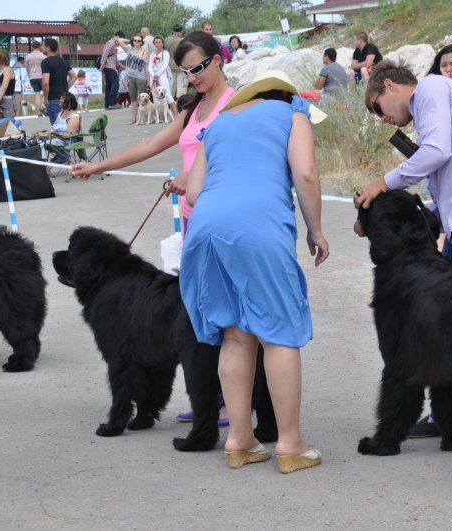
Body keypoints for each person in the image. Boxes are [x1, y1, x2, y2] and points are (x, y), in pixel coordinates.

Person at [70, 32, 238, 425]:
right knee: (198, 320)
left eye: (197, 68)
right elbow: (150, 145)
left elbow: (235, 159)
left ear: (218, 61)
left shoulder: (237, 106)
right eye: (185, 71)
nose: (191, 77)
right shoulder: (194, 109)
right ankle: (209, 397)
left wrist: (193, 178)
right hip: (196, 227)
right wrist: (98, 166)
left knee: (228, 318)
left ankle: (234, 400)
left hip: (226, 223)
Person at [354, 61, 452, 457]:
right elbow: (443, 172)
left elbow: (438, 152)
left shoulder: (431, 90)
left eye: (378, 108)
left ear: (389, 85)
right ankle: (451, 423)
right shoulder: (431, 110)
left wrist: (383, 183)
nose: (382, 118)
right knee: (448, 334)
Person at [178, 69, 328, 473]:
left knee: (235, 335)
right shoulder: (293, 113)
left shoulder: (221, 121)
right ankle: (290, 445)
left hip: (206, 227)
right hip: (257, 226)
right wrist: (315, 230)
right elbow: (307, 175)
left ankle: (241, 440)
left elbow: (193, 192)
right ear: (287, 94)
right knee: (279, 334)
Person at [41, 38, 77, 125]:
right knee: (67, 122)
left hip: (53, 99)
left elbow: (45, 82)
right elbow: (73, 76)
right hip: (65, 98)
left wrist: (45, 99)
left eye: (42, 45)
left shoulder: (45, 62)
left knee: (58, 127)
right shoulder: (63, 60)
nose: (41, 47)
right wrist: (65, 89)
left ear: (48, 48)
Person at [120, 34, 150, 124]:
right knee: (133, 99)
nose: (136, 42)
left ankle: (144, 118)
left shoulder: (144, 53)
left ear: (142, 42)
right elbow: (119, 40)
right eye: (135, 40)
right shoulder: (129, 50)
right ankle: (134, 118)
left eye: (139, 41)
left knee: (143, 99)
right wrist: (130, 40)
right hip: (131, 78)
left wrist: (148, 80)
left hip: (141, 78)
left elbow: (147, 68)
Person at [45, 92, 81, 164]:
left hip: (68, 142)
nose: (59, 104)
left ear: (69, 103)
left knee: (41, 145)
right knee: (37, 142)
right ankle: (45, 166)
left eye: (62, 103)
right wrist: (50, 132)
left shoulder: (74, 117)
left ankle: (45, 168)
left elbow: (69, 135)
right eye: (60, 102)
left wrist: (54, 134)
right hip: (57, 139)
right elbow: (55, 128)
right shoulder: (60, 113)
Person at [149, 35, 178, 116]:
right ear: (154, 43)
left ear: (162, 43)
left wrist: (157, 74)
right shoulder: (152, 54)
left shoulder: (165, 53)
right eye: (156, 42)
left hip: (162, 76)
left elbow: (165, 65)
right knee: (155, 95)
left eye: (159, 42)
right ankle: (159, 116)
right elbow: (150, 65)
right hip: (153, 76)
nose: (157, 44)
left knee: (167, 94)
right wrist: (153, 74)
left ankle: (175, 114)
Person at [99, 31, 125, 110]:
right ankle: (112, 103)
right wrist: (102, 66)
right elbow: (105, 54)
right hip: (109, 66)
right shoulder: (111, 43)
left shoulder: (113, 44)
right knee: (115, 84)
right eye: (121, 39)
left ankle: (107, 104)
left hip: (110, 66)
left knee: (109, 86)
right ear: (118, 37)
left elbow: (115, 59)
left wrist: (123, 66)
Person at [0, 49, 16, 119]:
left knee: (8, 124)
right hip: (1, 100)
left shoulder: (7, 70)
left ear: (0, 59)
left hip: (7, 101)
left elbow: (4, 86)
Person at [165, 24, 187, 99]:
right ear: (181, 31)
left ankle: (170, 105)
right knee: (181, 87)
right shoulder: (182, 41)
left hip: (170, 66)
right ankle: (180, 105)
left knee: (171, 87)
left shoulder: (167, 40)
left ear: (173, 31)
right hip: (181, 66)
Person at [24, 41, 46, 115]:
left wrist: (29, 75)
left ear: (32, 47)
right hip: (42, 76)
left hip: (32, 77)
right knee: (46, 93)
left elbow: (26, 67)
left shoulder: (28, 56)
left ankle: (38, 112)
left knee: (37, 94)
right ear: (39, 46)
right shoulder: (43, 56)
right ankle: (43, 105)